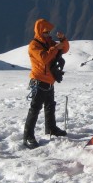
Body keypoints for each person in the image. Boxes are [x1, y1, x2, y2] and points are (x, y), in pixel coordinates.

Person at [24, 18, 69, 149]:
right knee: (35, 109)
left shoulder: (48, 42)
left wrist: (63, 40)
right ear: (39, 31)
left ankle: (51, 128)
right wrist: (56, 47)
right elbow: (44, 58)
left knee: (50, 105)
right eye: (45, 32)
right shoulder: (34, 45)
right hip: (39, 80)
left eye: (48, 32)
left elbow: (64, 49)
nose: (48, 34)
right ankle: (28, 137)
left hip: (49, 80)